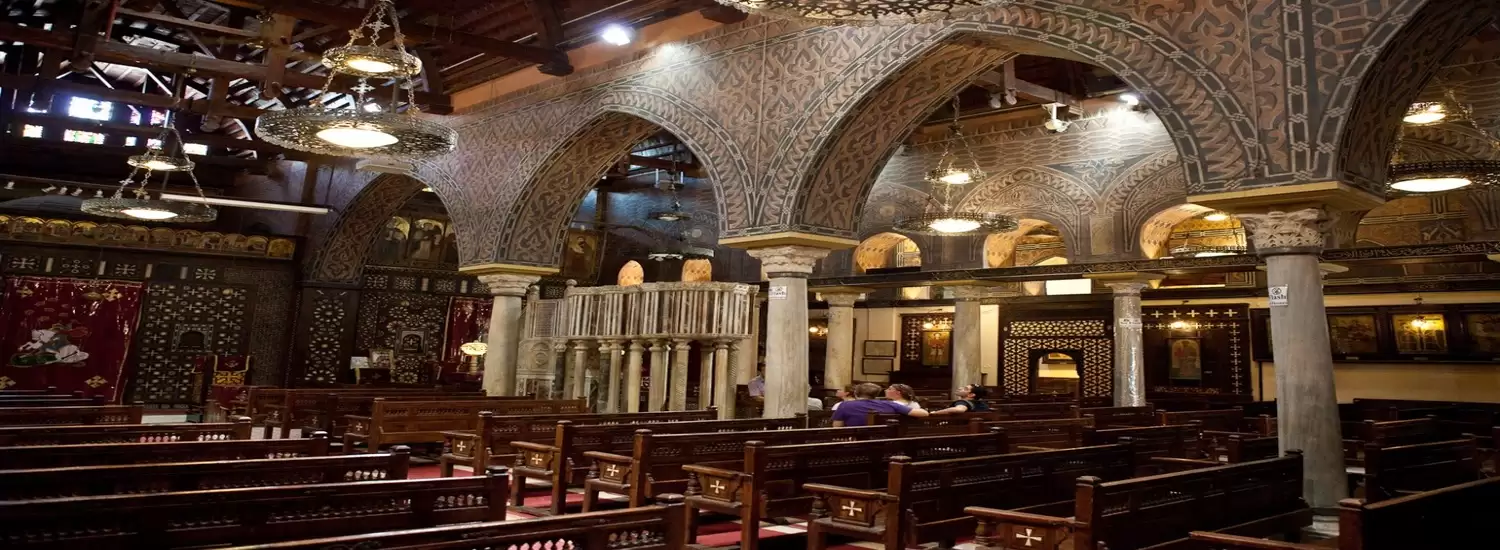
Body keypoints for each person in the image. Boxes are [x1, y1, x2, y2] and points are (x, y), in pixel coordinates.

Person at [831, 383, 930, 426]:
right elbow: (924, 413)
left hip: (856, 442)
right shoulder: (890, 404)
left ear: (856, 394)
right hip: (886, 442)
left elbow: (837, 427)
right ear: (876, 394)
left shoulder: (844, 405)